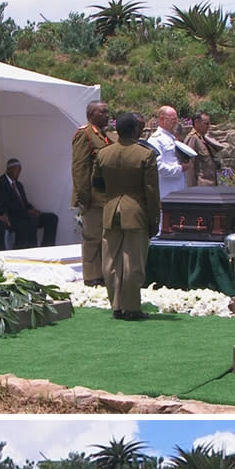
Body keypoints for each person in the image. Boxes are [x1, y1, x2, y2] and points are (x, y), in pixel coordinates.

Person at [92, 112, 160, 321]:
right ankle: (132, 307)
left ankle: (116, 305)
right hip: (135, 210)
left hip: (111, 209)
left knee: (110, 261)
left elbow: (97, 183)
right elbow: (151, 191)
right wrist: (154, 219)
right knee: (133, 261)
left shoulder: (104, 153)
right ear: (135, 130)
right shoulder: (145, 154)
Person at [71, 100, 114, 286]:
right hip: (93, 198)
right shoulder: (85, 134)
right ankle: (91, 276)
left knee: (106, 238)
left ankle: (103, 273)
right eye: (102, 112)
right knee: (92, 238)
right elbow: (80, 168)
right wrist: (84, 198)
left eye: (107, 112)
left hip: (106, 197)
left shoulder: (106, 136)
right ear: (91, 115)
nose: (107, 115)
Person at [0, 158, 58, 248]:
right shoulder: (0, 183)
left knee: (52, 218)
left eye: (20, 170)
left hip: (25, 214)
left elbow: (24, 203)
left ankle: (47, 247)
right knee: (31, 220)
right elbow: (6, 206)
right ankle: (31, 250)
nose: (19, 173)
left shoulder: (18, 185)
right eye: (17, 170)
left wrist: (32, 209)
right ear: (9, 169)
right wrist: (27, 212)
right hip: (13, 216)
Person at [147, 106, 192, 200]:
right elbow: (158, 167)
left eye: (176, 119)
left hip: (178, 189)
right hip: (166, 192)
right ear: (162, 119)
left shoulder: (171, 138)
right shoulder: (156, 140)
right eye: (173, 119)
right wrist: (180, 169)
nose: (175, 122)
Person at [184, 113, 222, 187]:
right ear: (197, 122)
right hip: (201, 185)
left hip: (210, 184)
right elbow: (190, 166)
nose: (208, 126)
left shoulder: (203, 138)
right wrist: (191, 189)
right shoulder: (193, 139)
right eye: (206, 123)